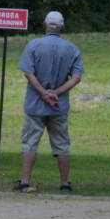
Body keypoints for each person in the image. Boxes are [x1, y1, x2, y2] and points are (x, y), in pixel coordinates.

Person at [14, 12, 84, 193]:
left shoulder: (33, 46)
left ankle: (24, 181)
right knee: (61, 143)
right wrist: (57, 93)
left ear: (45, 25)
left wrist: (43, 93)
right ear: (62, 28)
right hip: (58, 106)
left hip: (35, 105)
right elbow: (76, 78)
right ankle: (64, 183)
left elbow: (28, 73)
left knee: (30, 141)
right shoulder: (72, 49)